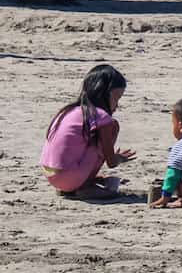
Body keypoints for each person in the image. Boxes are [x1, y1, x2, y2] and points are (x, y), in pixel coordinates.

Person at [40, 64, 135, 198]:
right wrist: (118, 158)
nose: (117, 106)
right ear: (103, 93)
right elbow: (111, 162)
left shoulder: (69, 111)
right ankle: (84, 186)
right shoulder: (102, 117)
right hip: (70, 177)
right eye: (116, 99)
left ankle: (76, 183)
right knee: (113, 126)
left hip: (51, 176)